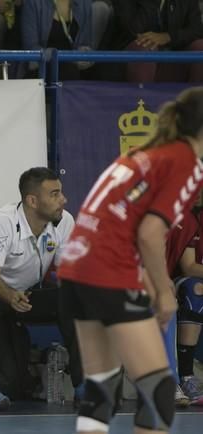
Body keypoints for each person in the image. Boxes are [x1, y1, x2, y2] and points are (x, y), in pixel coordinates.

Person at [57, 87, 203, 434]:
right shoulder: (186, 161)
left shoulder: (142, 154)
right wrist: (164, 293)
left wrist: (147, 278)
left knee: (101, 389)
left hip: (75, 270)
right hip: (107, 273)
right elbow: (150, 233)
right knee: (159, 392)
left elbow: (119, 221)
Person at [0, 167, 82, 410]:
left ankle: (85, 383)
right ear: (32, 201)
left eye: (60, 193)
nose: (63, 199)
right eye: (54, 194)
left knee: (72, 297)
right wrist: (10, 296)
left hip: (22, 293)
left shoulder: (65, 221)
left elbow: (67, 274)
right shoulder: (2, 222)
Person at [165, 194, 203, 406]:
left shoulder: (191, 219)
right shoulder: (181, 216)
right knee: (196, 289)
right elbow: (189, 266)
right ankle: (185, 376)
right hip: (169, 280)